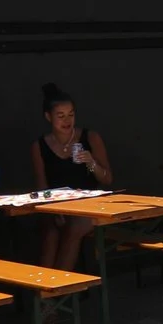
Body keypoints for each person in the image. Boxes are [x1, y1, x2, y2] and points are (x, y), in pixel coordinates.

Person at [30, 83, 113, 270]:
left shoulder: (90, 138)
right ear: (48, 117)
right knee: (50, 230)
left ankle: (62, 290)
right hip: (57, 204)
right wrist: (53, 209)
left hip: (89, 205)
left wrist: (91, 162)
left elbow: (107, 180)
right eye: (60, 116)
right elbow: (42, 187)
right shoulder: (39, 146)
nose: (67, 120)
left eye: (71, 114)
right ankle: (44, 289)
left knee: (74, 226)